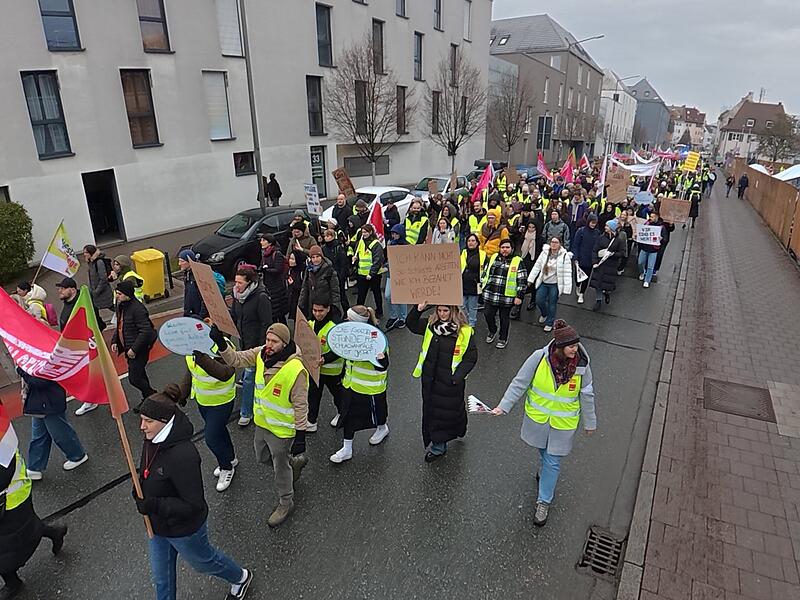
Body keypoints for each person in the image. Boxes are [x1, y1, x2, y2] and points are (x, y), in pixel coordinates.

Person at [133, 390, 253, 599]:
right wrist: (141, 485)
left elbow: (193, 505)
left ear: (164, 421)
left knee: (205, 562)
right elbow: (148, 468)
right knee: (161, 578)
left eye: (148, 421)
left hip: (184, 530)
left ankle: (240, 577)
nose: (142, 426)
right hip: (157, 526)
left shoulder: (184, 456)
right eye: (142, 420)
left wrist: (153, 504)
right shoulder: (151, 437)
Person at [491, 320, 597, 527]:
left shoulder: (582, 366)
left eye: (576, 345)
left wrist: (590, 422)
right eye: (571, 346)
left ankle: (543, 502)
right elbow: (520, 382)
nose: (575, 350)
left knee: (552, 461)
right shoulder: (538, 358)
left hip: (563, 424)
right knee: (543, 452)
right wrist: (503, 406)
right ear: (559, 347)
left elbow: (587, 394)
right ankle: (544, 471)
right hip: (538, 420)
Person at [212, 322, 309, 527]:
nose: (269, 345)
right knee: (261, 457)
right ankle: (294, 464)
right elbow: (236, 359)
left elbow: (301, 405)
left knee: (279, 467)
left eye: (274, 341)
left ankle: (286, 502)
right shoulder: (261, 353)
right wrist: (221, 343)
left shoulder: (295, 369)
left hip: (282, 430)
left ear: (285, 343)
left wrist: (301, 435)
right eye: (267, 340)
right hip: (263, 423)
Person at [407, 303, 477, 462]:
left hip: (450, 382)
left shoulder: (465, 331)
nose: (442, 314)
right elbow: (410, 324)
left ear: (453, 311)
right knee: (435, 413)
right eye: (439, 310)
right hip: (431, 379)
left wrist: (457, 377)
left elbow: (470, 357)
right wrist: (418, 309)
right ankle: (439, 446)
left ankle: (447, 439)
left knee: (449, 412)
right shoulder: (430, 325)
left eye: (445, 310)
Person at [173, 329, 239, 492]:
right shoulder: (191, 347)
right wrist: (183, 393)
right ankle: (230, 458)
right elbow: (191, 372)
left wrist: (202, 358)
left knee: (211, 437)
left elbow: (225, 373)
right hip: (203, 401)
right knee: (219, 432)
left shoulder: (223, 346)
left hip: (222, 401)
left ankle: (226, 468)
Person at [0, 451, 68, 599]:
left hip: (10, 503)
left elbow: (3, 475)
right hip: (16, 495)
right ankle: (54, 532)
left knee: (5, 548)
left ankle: (12, 583)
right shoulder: (3, 437)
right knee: (26, 527)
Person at [329, 306, 389, 463]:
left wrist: (380, 358)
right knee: (348, 416)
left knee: (377, 414)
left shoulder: (376, 338)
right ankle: (346, 448)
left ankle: (382, 428)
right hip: (350, 385)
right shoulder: (349, 336)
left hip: (371, 388)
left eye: (349, 319)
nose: (346, 322)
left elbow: (384, 365)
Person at [18, 370, 88, 480]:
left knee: (60, 433)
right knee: (40, 434)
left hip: (49, 401)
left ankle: (77, 455)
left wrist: (22, 371)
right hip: (42, 401)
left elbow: (42, 381)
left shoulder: (46, 359)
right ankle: (34, 467)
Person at [230, 265, 272, 427]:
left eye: (240, 283)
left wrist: (262, 346)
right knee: (252, 376)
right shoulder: (237, 296)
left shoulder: (260, 297)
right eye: (236, 282)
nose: (236, 286)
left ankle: (246, 412)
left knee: (249, 378)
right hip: (244, 341)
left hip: (257, 345)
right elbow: (235, 316)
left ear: (249, 282)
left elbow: (266, 322)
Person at [110, 280, 158, 401]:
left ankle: (152, 395)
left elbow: (146, 331)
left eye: (119, 294)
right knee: (140, 374)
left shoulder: (137, 309)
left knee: (134, 378)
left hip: (138, 349)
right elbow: (120, 325)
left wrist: (134, 349)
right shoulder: (122, 306)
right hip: (129, 347)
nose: (117, 296)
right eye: (116, 293)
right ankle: (148, 399)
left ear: (127, 294)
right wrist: (115, 340)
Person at [481, 239, 527, 349]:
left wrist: (519, 296)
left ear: (512, 249)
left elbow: (522, 279)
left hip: (506, 297)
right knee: (487, 314)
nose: (504, 250)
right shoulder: (493, 257)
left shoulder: (517, 261)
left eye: (507, 247)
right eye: (502, 247)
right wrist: (482, 285)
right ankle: (492, 330)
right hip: (491, 294)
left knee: (504, 318)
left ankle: (503, 338)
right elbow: (485, 272)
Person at [306, 302, 344, 431]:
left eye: (320, 311)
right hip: (316, 369)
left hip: (333, 370)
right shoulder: (310, 323)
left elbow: (339, 349)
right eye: (314, 310)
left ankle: (342, 413)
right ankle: (311, 421)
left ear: (328, 309)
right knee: (313, 394)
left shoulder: (335, 326)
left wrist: (325, 359)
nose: (317, 314)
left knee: (338, 395)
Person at [527, 238, 573, 332]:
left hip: (555, 284)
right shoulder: (544, 253)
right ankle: (544, 313)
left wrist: (567, 288)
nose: (554, 244)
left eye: (556, 242)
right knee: (539, 300)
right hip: (543, 282)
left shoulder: (564, 256)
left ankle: (550, 322)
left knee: (552, 304)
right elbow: (537, 265)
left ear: (560, 244)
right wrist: (530, 279)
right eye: (552, 242)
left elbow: (567, 272)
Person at [589, 219, 627, 310]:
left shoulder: (618, 240)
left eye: (607, 226)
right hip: (600, 264)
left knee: (607, 284)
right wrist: (594, 262)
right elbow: (595, 250)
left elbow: (622, 253)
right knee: (598, 283)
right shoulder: (601, 238)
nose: (605, 228)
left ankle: (606, 293)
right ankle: (598, 300)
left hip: (611, 265)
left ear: (612, 228)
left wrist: (613, 254)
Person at [298, 246, 341, 318]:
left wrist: (335, 308)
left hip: (325, 306)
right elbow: (304, 288)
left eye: (317, 256)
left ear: (322, 257)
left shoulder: (329, 271)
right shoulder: (308, 270)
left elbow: (335, 291)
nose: (315, 259)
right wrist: (300, 304)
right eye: (313, 257)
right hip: (313, 307)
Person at [354, 224, 384, 318]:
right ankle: (358, 312)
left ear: (370, 232)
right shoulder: (361, 242)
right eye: (362, 232)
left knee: (376, 293)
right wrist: (355, 258)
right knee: (361, 295)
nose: (364, 234)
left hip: (373, 275)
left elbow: (378, 260)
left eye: (365, 232)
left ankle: (379, 311)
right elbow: (358, 253)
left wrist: (371, 273)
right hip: (362, 273)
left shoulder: (376, 244)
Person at [258, 234, 288, 325]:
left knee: (280, 312)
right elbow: (261, 265)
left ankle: (284, 330)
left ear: (270, 243)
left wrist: (266, 270)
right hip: (268, 286)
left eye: (263, 240)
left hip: (277, 287)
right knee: (272, 312)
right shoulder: (264, 253)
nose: (261, 242)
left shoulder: (277, 253)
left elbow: (279, 269)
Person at [571, 214, 601, 304]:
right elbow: (575, 245)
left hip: (590, 259)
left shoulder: (597, 233)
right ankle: (577, 285)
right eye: (592, 222)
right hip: (580, 258)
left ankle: (581, 294)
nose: (593, 225)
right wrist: (575, 257)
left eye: (595, 223)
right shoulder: (581, 231)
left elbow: (598, 246)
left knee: (586, 278)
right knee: (577, 277)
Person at [83, 244, 114, 328]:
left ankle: (124, 315)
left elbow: (103, 278)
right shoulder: (91, 262)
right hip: (95, 292)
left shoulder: (98, 262)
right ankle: (98, 325)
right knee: (93, 308)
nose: (84, 254)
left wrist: (96, 291)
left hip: (102, 292)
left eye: (85, 252)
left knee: (111, 306)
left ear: (90, 253)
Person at [384, 224, 408, 331]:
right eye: (392, 234)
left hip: (403, 275)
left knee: (401, 297)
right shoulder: (390, 244)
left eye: (396, 234)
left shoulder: (406, 245)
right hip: (391, 274)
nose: (394, 236)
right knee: (388, 296)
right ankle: (393, 316)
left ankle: (403, 318)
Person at [321, 228, 350, 313]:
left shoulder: (338, 247)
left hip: (338, 274)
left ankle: (346, 312)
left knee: (341, 295)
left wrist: (341, 276)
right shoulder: (323, 248)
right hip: (328, 275)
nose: (326, 238)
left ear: (333, 236)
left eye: (328, 236)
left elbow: (343, 263)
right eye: (325, 236)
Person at [460, 234, 486, 328]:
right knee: (462, 306)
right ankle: (465, 321)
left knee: (472, 307)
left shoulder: (483, 254)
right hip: (463, 283)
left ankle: (471, 325)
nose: (471, 243)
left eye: (473, 241)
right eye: (469, 241)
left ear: (477, 242)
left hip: (475, 284)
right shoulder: (463, 253)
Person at [178, 250, 207, 320]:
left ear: (190, 262)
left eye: (182, 261)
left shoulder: (198, 276)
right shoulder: (187, 274)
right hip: (190, 314)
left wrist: (201, 316)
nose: (179, 264)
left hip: (198, 316)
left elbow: (205, 298)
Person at [638, 211, 665, 288]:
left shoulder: (661, 227)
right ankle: (642, 272)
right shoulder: (647, 224)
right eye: (650, 216)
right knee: (640, 262)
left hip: (653, 249)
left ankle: (647, 280)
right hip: (644, 247)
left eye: (652, 217)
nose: (651, 218)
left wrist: (661, 239)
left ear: (657, 217)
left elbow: (665, 239)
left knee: (650, 266)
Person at [286, 251, 306, 323]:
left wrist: (293, 284)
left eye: (292, 259)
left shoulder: (302, 272)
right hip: (292, 300)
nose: (290, 261)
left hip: (301, 302)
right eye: (290, 258)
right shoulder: (290, 270)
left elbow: (304, 288)